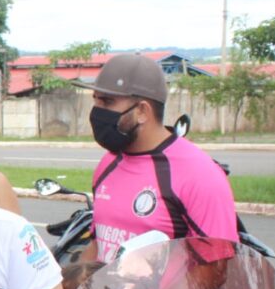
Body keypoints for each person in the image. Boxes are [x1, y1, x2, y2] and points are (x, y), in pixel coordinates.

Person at [75, 53, 237, 263]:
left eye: (107, 102)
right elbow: (99, 245)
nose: (97, 112)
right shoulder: (108, 164)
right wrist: (72, 279)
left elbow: (217, 268)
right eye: (95, 100)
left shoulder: (200, 175)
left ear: (142, 111)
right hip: (107, 286)